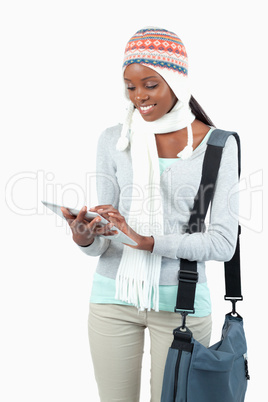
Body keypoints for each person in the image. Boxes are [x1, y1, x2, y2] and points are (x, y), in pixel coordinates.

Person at [61, 27, 239, 402]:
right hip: (112, 297)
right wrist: (86, 236)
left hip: (181, 304)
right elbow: (107, 233)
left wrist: (150, 242)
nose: (138, 96)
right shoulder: (114, 139)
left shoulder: (218, 145)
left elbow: (224, 243)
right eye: (130, 86)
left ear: (175, 80)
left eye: (150, 84)